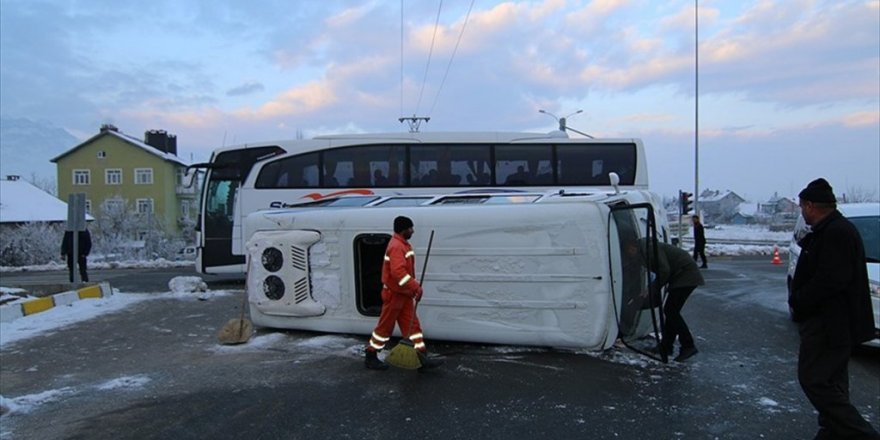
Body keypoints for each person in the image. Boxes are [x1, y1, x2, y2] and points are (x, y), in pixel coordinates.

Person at [788, 178, 879, 439]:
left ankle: (861, 434)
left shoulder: (836, 232)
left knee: (815, 380)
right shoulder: (831, 229)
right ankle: (833, 431)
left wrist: (801, 299)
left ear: (812, 205)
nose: (802, 211)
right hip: (832, 322)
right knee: (833, 381)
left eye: (802, 206)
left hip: (829, 323)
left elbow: (831, 279)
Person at [364, 216, 443, 371]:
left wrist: (411, 290)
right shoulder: (397, 247)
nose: (412, 231)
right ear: (403, 229)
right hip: (394, 295)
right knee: (384, 328)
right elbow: (398, 272)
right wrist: (415, 287)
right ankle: (371, 355)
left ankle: (421, 357)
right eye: (410, 228)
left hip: (403, 295)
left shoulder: (403, 245)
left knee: (413, 326)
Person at [625, 238, 704, 361]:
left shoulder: (649, 248)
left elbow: (664, 269)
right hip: (680, 276)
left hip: (686, 276)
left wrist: (651, 289)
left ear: (632, 247)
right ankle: (666, 346)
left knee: (671, 311)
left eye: (628, 251)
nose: (629, 254)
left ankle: (688, 345)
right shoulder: (642, 252)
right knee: (670, 311)